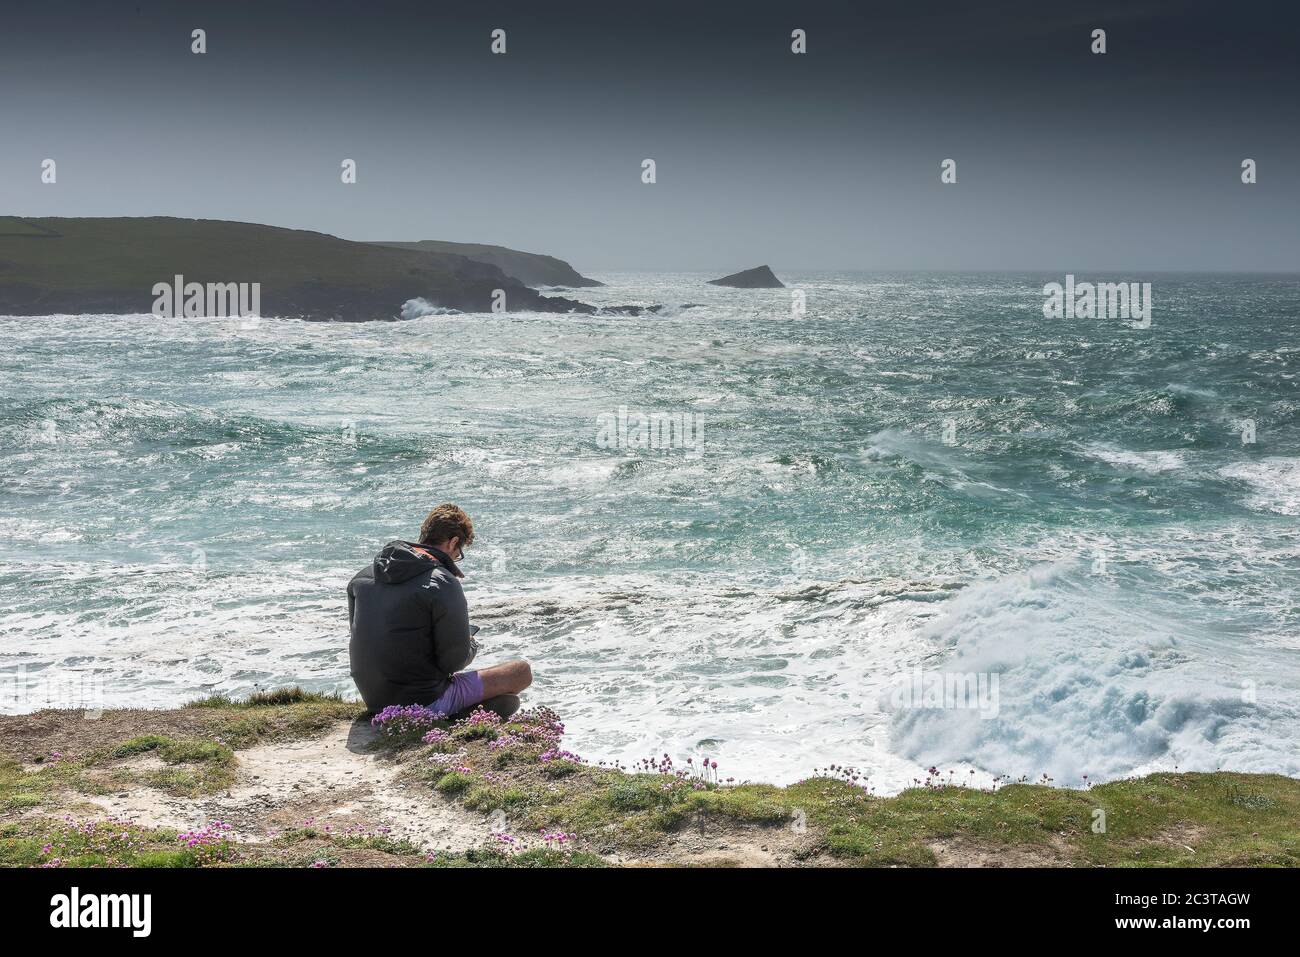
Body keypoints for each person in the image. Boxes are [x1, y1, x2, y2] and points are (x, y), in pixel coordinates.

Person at [347, 503, 532, 720]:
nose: (456, 558)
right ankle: (450, 716)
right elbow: (453, 662)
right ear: (453, 542)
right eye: (458, 553)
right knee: (520, 672)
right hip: (424, 701)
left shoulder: (361, 578)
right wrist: (470, 641)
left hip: (376, 700)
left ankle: (463, 712)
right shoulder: (442, 582)